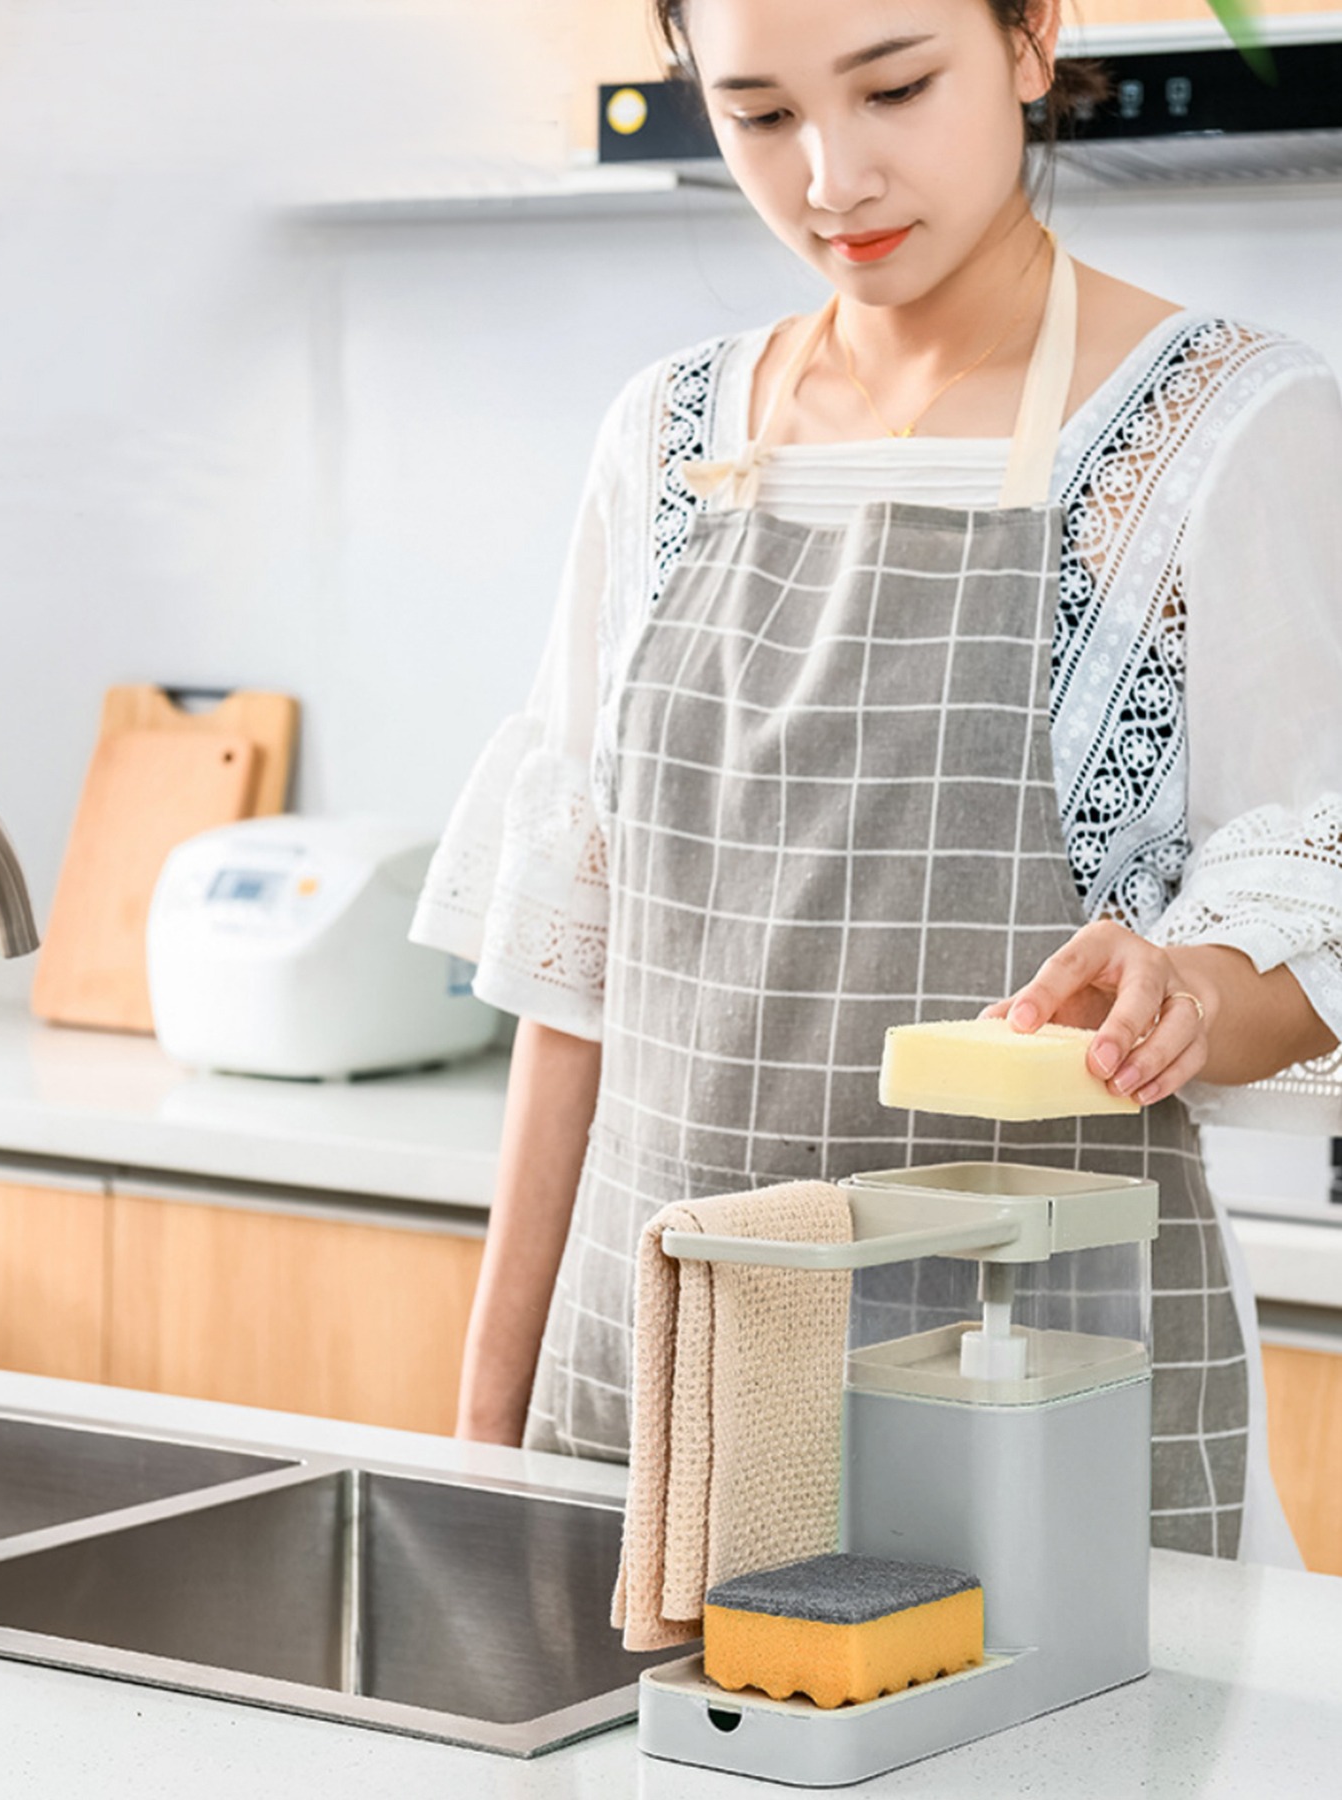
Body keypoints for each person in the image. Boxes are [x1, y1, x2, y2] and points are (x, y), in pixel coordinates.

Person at [410, 0, 1342, 1565]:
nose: (833, 177)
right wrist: (479, 1448)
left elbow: (1315, 911)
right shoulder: (663, 438)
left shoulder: (1229, 433)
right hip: (662, 1395)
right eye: (761, 114)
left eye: (896, 86)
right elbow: (573, 988)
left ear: (1032, 38)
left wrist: (1183, 984)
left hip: (1036, 1399)